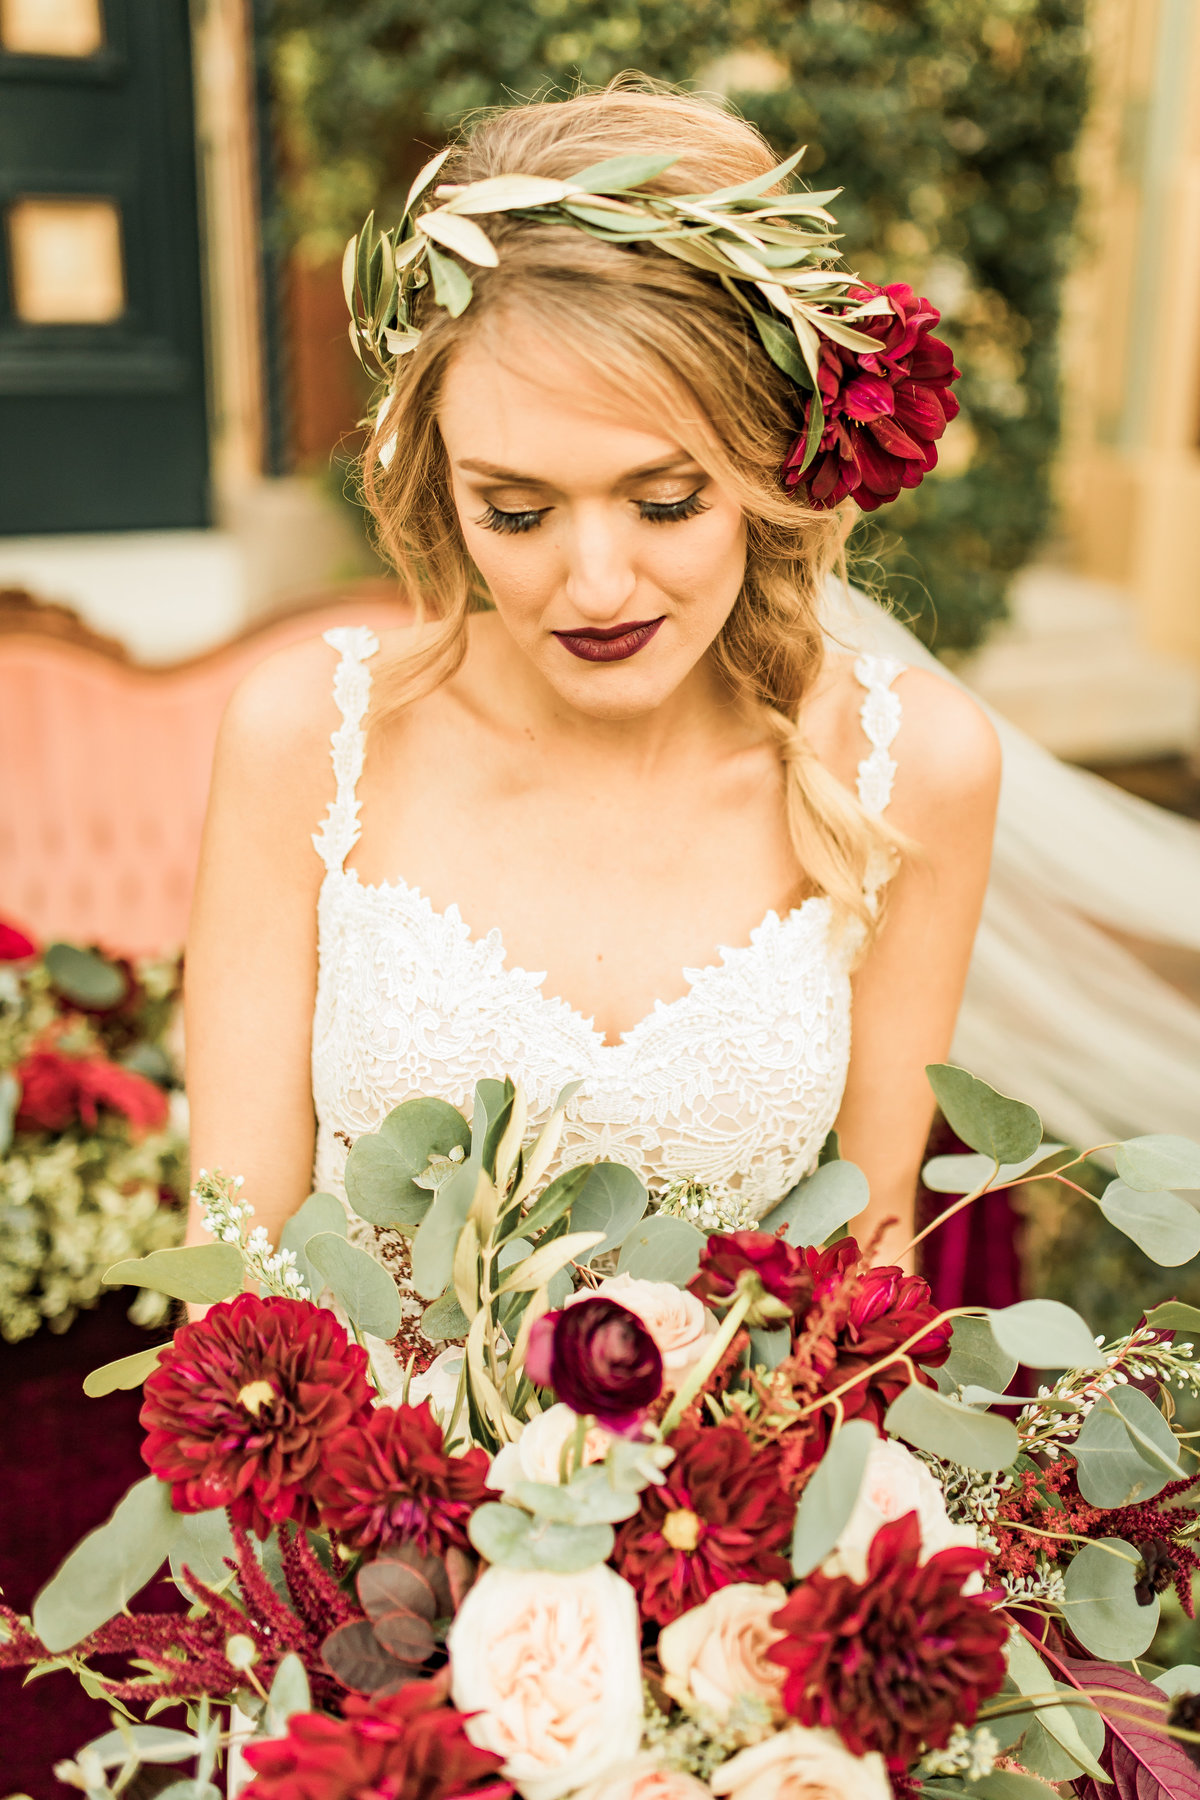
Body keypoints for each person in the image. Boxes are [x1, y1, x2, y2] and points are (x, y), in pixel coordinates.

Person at [184, 82, 1007, 1372]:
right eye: (516, 512)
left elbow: (864, 1268)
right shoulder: (307, 737)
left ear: (773, 469)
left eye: (668, 501)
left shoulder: (910, 769)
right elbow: (232, 1267)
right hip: (353, 1528)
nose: (600, 586)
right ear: (435, 479)